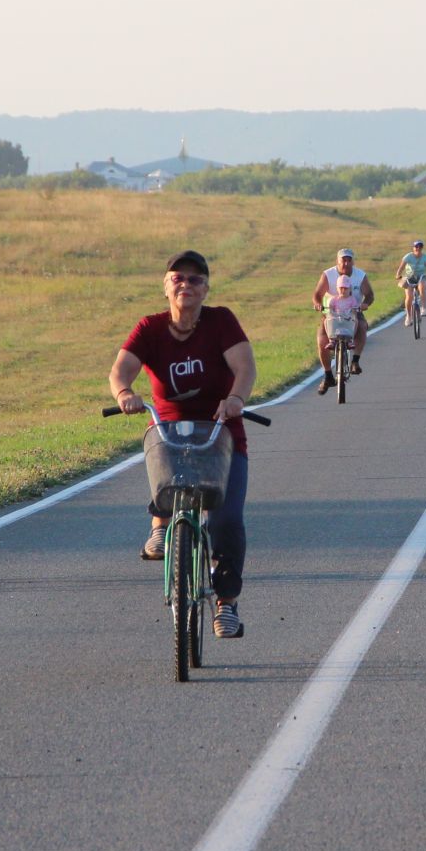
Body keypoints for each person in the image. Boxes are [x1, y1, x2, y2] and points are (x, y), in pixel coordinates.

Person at [109, 251, 257, 639]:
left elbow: (244, 366)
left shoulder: (221, 321)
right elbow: (121, 369)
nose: (186, 285)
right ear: (165, 286)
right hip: (171, 433)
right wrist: (125, 392)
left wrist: (236, 399)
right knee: (165, 472)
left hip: (221, 433)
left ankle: (226, 603)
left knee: (226, 520)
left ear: (206, 289)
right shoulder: (150, 328)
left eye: (195, 280)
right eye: (178, 278)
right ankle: (161, 523)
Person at [312, 247, 374, 393]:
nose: (346, 263)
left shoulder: (360, 275)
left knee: (362, 327)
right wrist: (318, 304)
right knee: (322, 341)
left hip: (353, 311)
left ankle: (355, 361)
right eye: (343, 260)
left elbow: (370, 294)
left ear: (353, 262)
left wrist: (364, 304)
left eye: (349, 260)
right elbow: (317, 294)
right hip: (331, 313)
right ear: (337, 261)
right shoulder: (328, 274)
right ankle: (328, 375)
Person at [397, 238, 426, 319]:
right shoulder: (408, 256)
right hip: (409, 277)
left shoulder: (425, 257)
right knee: (409, 296)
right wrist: (398, 274)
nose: (418, 248)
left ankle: (423, 308)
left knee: (422, 286)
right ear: (413, 248)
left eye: (420, 247)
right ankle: (408, 316)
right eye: (416, 247)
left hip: (421, 276)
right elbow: (401, 267)